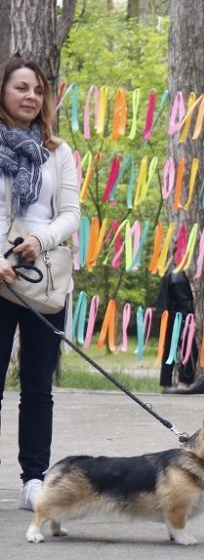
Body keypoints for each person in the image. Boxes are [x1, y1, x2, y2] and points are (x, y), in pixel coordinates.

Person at [0, 57, 81, 511]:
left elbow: (70, 214)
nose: (31, 97)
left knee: (37, 387)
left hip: (42, 278)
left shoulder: (58, 150)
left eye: (38, 90)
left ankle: (33, 480)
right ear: (3, 91)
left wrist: (38, 238)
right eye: (21, 88)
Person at [155, 268, 198, 391]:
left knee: (169, 352)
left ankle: (166, 384)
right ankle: (183, 385)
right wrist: (188, 323)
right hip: (178, 320)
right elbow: (183, 303)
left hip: (168, 319)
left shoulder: (170, 272)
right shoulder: (178, 275)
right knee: (190, 351)